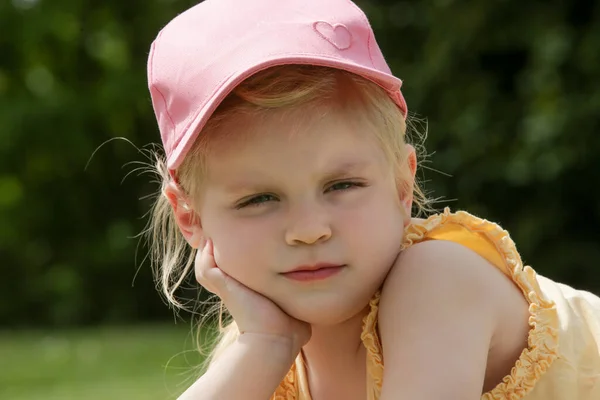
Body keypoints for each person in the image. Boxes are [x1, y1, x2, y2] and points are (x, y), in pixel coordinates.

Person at [145, 0, 600, 399]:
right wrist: (265, 344)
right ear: (191, 217)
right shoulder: (262, 342)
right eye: (259, 199)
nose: (309, 229)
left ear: (402, 187)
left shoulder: (439, 281)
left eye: (341, 185)